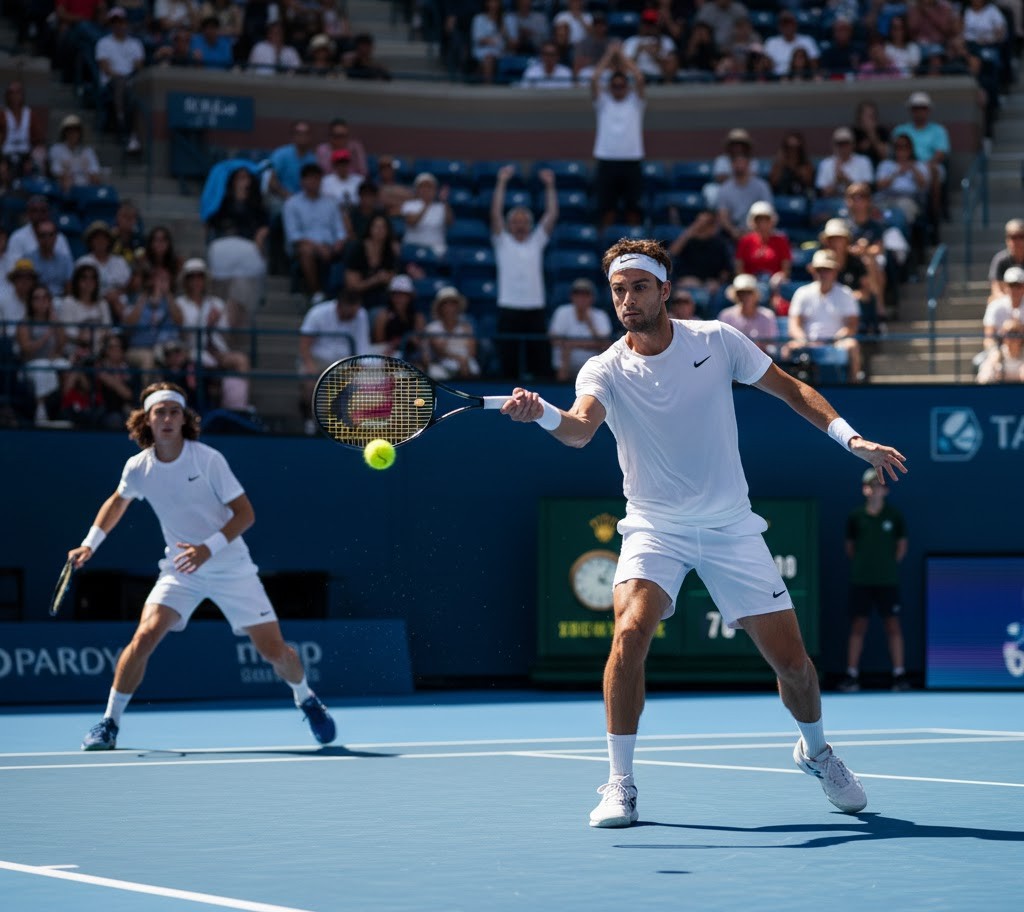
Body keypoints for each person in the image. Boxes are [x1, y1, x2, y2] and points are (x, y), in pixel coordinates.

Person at [496, 236, 906, 828]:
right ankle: (620, 783)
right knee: (630, 632)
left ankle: (816, 752)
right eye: (618, 290)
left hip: (730, 528)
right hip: (653, 528)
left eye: (638, 287)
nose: (627, 300)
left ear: (664, 290)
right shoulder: (604, 368)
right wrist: (543, 417)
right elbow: (580, 429)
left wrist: (853, 440)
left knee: (794, 666)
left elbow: (792, 390)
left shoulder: (715, 341)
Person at [69, 382, 336, 751]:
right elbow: (117, 502)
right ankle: (109, 724)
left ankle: (306, 698)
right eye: (159, 412)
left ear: (183, 419)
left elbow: (246, 514)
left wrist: (208, 549)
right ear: (147, 420)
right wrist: (89, 543)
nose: (166, 419)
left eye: (173, 412)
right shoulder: (138, 467)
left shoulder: (207, 459)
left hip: (231, 567)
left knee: (275, 652)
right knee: (144, 636)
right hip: (181, 569)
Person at [838, 467, 909, 693]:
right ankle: (852, 675)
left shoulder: (894, 516)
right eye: (871, 485)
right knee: (858, 627)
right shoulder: (855, 517)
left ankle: (899, 675)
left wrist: (885, 566)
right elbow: (850, 548)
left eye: (879, 485)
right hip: (861, 580)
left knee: (893, 626)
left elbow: (901, 548)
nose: (875, 489)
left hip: (887, 581)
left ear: (885, 490)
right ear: (864, 490)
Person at [491, 164, 558, 380]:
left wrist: (550, 186)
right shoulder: (503, 242)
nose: (520, 226)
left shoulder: (536, 241)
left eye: (524, 222)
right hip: (508, 307)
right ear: (510, 225)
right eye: (515, 222)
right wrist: (501, 182)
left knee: (540, 364)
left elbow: (552, 215)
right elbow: (495, 214)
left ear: (530, 225)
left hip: (534, 308)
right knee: (508, 364)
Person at [782, 249, 864, 382]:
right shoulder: (802, 293)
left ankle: (854, 385)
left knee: (852, 345)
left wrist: (835, 338)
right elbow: (794, 325)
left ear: (835, 272)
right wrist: (803, 339)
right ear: (813, 271)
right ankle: (787, 390)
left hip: (837, 342)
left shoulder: (846, 293)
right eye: (819, 269)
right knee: (788, 349)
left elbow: (852, 325)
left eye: (827, 269)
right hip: (807, 342)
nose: (823, 273)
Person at [298, 289, 371, 433]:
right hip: (317, 359)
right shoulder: (317, 313)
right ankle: (310, 421)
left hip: (346, 362)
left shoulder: (361, 314)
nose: (353, 316)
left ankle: (349, 428)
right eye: (350, 313)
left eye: (355, 312)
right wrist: (309, 365)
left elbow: (363, 347)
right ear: (340, 305)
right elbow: (304, 344)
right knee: (309, 381)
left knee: (366, 382)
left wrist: (362, 371)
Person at [590, 42, 646, 230]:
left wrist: (621, 55)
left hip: (631, 160)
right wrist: (609, 55)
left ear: (626, 87)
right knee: (607, 210)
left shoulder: (635, 102)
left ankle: (639, 247)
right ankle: (605, 249)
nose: (618, 88)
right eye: (614, 85)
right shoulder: (603, 102)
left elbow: (638, 78)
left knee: (633, 210)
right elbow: (594, 78)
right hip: (607, 160)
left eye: (622, 85)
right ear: (610, 87)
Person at [282, 162, 348, 301]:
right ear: (302, 181)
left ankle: (343, 295)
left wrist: (339, 243)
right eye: (310, 178)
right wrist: (318, 247)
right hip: (304, 246)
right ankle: (316, 292)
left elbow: (340, 230)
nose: (314, 182)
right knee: (306, 251)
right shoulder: (292, 204)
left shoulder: (331, 202)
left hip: (330, 247)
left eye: (317, 178)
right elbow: (294, 235)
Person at [94, 7, 146, 153]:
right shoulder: (103, 43)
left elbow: (139, 66)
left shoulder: (135, 44)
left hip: (131, 82)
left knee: (132, 92)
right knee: (121, 84)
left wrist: (131, 73)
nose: (119, 25)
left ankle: (126, 128)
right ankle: (123, 127)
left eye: (121, 22)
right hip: (110, 83)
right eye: (115, 22)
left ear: (126, 23)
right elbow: (105, 68)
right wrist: (122, 76)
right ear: (111, 25)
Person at [548, 277, 613, 382]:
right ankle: (561, 383)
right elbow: (554, 340)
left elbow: (605, 345)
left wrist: (590, 323)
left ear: (592, 297)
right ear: (572, 296)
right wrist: (589, 344)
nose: (581, 298)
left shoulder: (601, 315)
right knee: (565, 351)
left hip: (593, 367)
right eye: (577, 294)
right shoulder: (561, 312)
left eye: (585, 294)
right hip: (566, 365)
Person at [423, 285, 481, 380]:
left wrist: (464, 361)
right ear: (440, 307)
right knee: (437, 373)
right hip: (442, 363)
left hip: (465, 361)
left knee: (472, 367)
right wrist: (449, 328)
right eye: (446, 304)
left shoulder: (466, 327)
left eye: (453, 303)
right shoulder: (432, 328)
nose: (450, 308)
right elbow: (440, 352)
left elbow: (472, 352)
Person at [717, 272, 779, 354]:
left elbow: (773, 344)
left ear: (755, 295)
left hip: (762, 360)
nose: (744, 297)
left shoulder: (768, 316)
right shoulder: (726, 316)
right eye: (740, 293)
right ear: (736, 296)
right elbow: (723, 345)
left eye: (748, 293)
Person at [735, 201, 791, 284]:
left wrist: (778, 277)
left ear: (772, 221)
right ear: (752, 222)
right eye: (758, 220)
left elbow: (786, 270)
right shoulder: (745, 241)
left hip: (774, 285)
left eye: (766, 220)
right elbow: (739, 268)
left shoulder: (781, 241)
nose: (762, 224)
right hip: (750, 287)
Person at [372, 273, 425, 362]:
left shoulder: (418, 317)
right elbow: (378, 341)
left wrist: (407, 340)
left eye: (402, 295)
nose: (398, 298)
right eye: (395, 294)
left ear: (409, 297)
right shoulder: (383, 315)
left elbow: (420, 342)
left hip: (411, 356)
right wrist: (392, 345)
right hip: (388, 355)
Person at [815, 127, 874, 200]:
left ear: (853, 144)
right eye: (840, 144)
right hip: (832, 203)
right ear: (834, 145)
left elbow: (866, 190)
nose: (843, 147)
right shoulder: (825, 164)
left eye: (846, 143)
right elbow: (824, 193)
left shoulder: (864, 161)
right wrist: (836, 181)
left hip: (857, 202)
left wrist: (846, 180)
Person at [400, 173, 452, 257]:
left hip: (437, 251)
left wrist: (444, 201)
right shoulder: (409, 205)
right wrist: (426, 204)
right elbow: (412, 222)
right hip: (412, 248)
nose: (426, 190)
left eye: (429, 187)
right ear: (417, 189)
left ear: (435, 190)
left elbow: (449, 222)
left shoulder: (442, 207)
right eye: (423, 187)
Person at [48, 114, 102, 192]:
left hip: (86, 189)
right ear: (64, 132)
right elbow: (56, 171)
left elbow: (94, 172)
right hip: (66, 191)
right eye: (70, 130)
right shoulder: (56, 149)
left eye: (76, 130)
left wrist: (93, 178)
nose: (73, 134)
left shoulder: (88, 151)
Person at [768, 131, 815, 199]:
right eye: (789, 147)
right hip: (781, 199)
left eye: (796, 147)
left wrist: (796, 169)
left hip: (802, 198)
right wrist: (781, 163)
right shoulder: (778, 165)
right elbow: (772, 183)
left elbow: (809, 183)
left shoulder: (806, 165)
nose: (793, 151)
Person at [977, 317, 1024, 383]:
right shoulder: (996, 354)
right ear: (1003, 337)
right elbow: (983, 379)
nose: (1013, 338)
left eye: (1016, 333)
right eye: (1009, 334)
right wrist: (995, 372)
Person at [987, 218, 1024, 301]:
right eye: (1013, 237)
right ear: (1007, 239)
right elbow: (996, 290)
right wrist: (1013, 306)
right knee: (992, 300)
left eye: (1021, 237)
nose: (1017, 241)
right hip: (1007, 303)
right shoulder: (1000, 260)